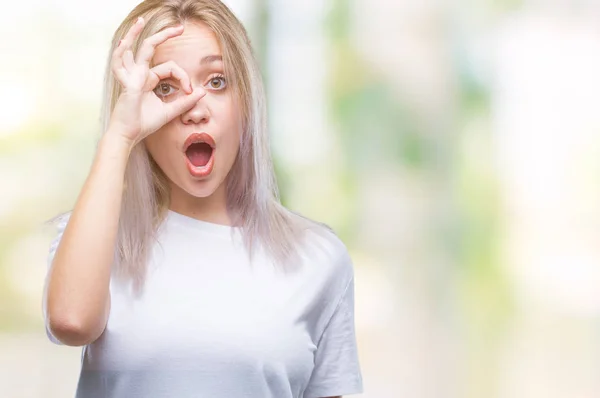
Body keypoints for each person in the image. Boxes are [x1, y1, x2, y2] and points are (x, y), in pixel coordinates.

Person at [42, 0, 363, 397]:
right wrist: (120, 135)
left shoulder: (317, 258)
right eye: (165, 88)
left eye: (216, 81)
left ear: (246, 101)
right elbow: (71, 321)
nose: (194, 109)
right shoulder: (97, 237)